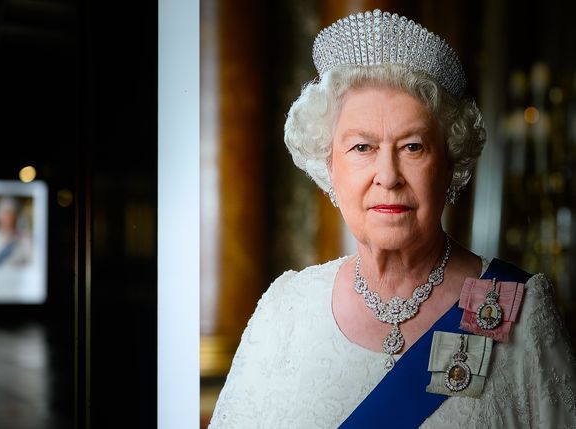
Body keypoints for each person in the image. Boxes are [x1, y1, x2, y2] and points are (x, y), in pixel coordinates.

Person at [208, 8, 576, 429]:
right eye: (362, 148)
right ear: (330, 166)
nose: (388, 176)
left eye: (413, 147)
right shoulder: (285, 311)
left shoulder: (519, 312)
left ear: (449, 163)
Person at [0, 196, 33, 268]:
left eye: (12, 214)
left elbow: (32, 260)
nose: (9, 219)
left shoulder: (24, 236)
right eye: (6, 215)